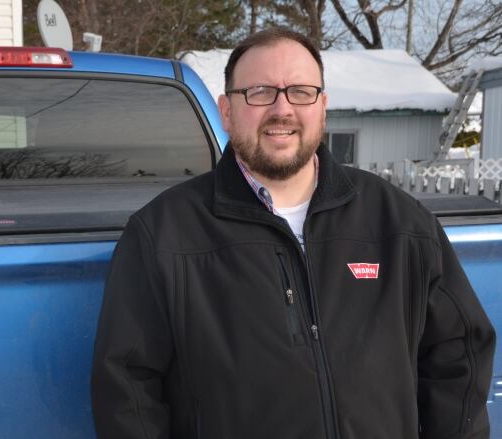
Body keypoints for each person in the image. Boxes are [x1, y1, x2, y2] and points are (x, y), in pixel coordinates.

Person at [91, 27, 495, 439]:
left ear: (322, 108)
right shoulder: (164, 234)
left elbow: (458, 354)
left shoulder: (400, 223)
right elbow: (128, 389)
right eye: (260, 91)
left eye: (301, 91)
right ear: (227, 111)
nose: (282, 108)